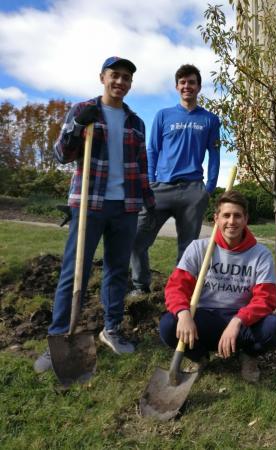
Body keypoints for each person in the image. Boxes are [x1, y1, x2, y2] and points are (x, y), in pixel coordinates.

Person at [34, 56, 155, 373]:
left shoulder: (135, 122)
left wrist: (148, 198)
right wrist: (75, 128)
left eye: (126, 78)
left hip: (125, 206)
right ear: (103, 77)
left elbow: (141, 166)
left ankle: (111, 329)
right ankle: (59, 336)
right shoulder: (83, 111)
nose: (120, 82)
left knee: (117, 271)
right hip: (90, 203)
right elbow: (61, 155)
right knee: (75, 270)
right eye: (115, 75)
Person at [159, 191, 276, 382]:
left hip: (242, 322)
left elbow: (266, 299)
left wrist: (237, 321)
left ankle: (249, 355)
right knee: (169, 325)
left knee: (275, 327)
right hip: (203, 318)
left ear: (246, 219)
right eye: (226, 215)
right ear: (216, 218)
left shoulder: (260, 254)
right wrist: (183, 313)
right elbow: (176, 287)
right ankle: (199, 357)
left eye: (237, 215)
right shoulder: (198, 248)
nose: (232, 221)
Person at [130, 64, 221, 295]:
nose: (187, 86)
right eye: (182, 82)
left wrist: (208, 188)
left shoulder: (210, 120)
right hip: (160, 188)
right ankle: (140, 286)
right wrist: (150, 183)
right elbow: (152, 150)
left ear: (199, 87)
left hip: (192, 190)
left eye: (191, 82)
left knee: (188, 249)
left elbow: (215, 154)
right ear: (176, 86)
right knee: (137, 240)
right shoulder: (163, 116)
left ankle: (179, 294)